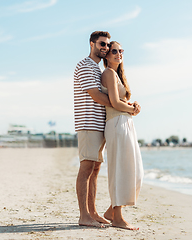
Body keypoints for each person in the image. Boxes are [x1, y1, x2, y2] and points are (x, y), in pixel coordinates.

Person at [101, 41, 144, 230]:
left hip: (126, 123)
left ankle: (111, 210)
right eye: (114, 51)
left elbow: (122, 102)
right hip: (117, 123)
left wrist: (133, 106)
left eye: (121, 51)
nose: (119, 54)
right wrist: (132, 109)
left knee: (136, 172)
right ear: (107, 56)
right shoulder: (109, 73)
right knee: (120, 170)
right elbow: (115, 103)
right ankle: (117, 217)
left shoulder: (118, 76)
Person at [73, 31, 113, 227]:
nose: (105, 48)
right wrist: (120, 104)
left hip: (98, 125)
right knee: (86, 168)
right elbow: (96, 96)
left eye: (107, 45)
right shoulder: (85, 66)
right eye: (102, 44)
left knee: (95, 170)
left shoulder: (97, 68)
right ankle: (84, 216)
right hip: (88, 124)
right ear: (92, 44)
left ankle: (93, 212)